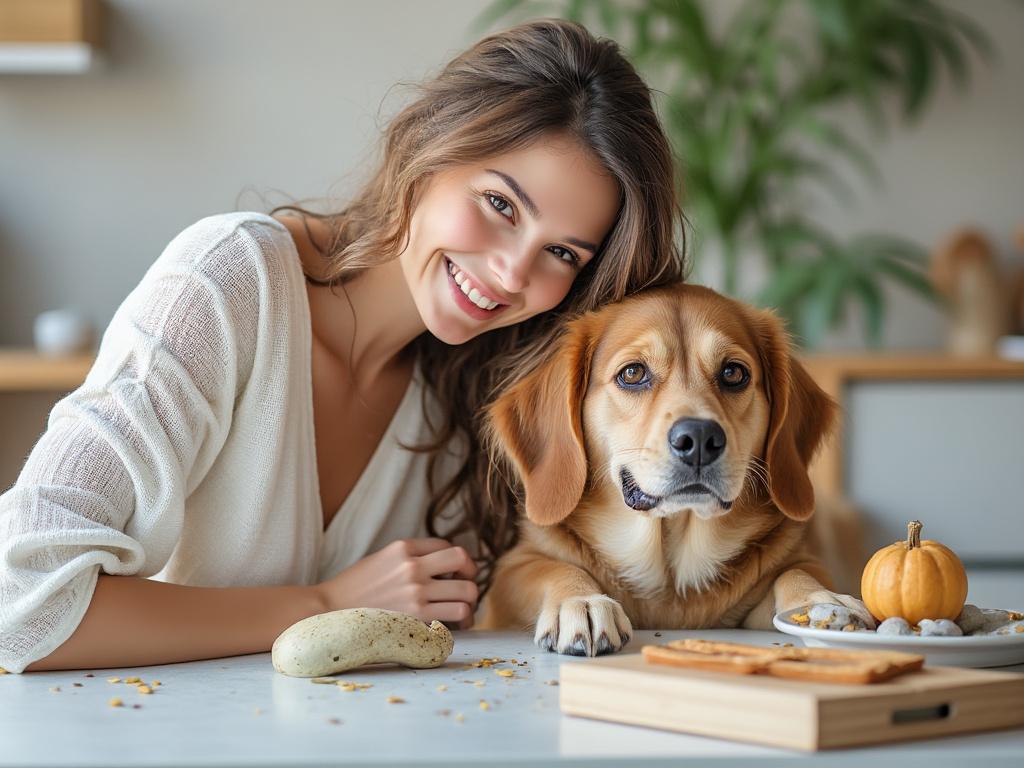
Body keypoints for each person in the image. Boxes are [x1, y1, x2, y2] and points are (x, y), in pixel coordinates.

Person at [0, 18, 685, 674]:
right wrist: (327, 605)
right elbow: (20, 600)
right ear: (432, 146)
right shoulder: (231, 284)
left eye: (561, 253)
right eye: (501, 205)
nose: (512, 274)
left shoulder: (484, 394)